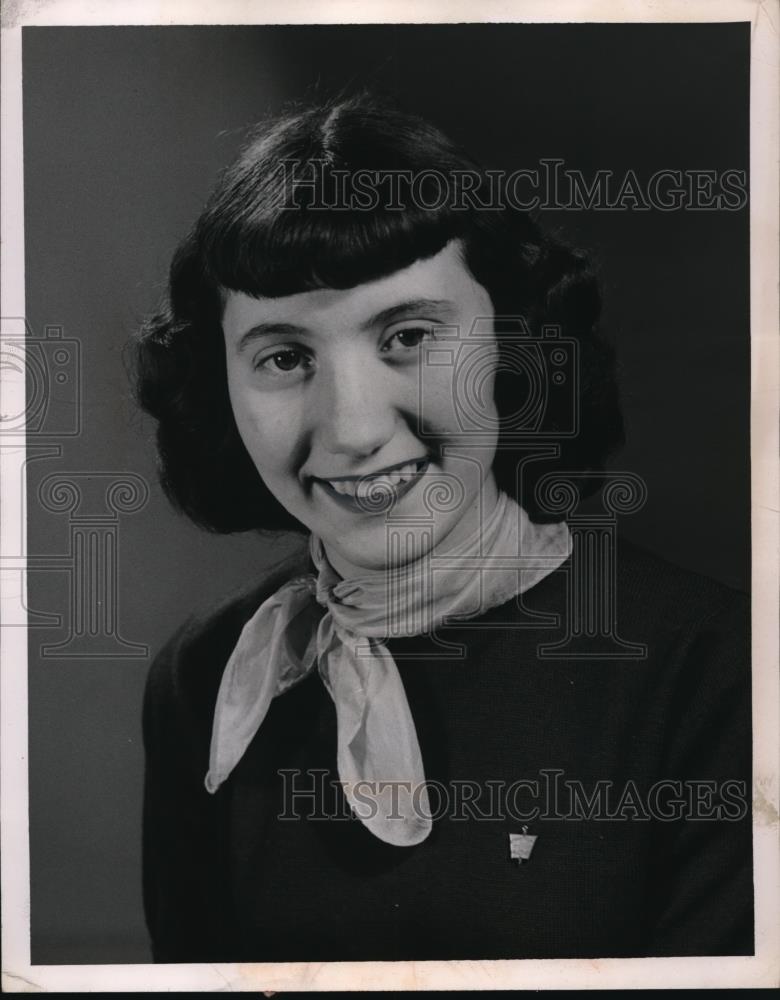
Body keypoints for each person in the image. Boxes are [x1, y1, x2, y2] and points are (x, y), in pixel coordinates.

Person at [134, 93, 753, 962]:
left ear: (513, 342)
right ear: (219, 392)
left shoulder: (721, 668)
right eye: (284, 358)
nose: (352, 428)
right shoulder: (202, 679)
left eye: (410, 336)